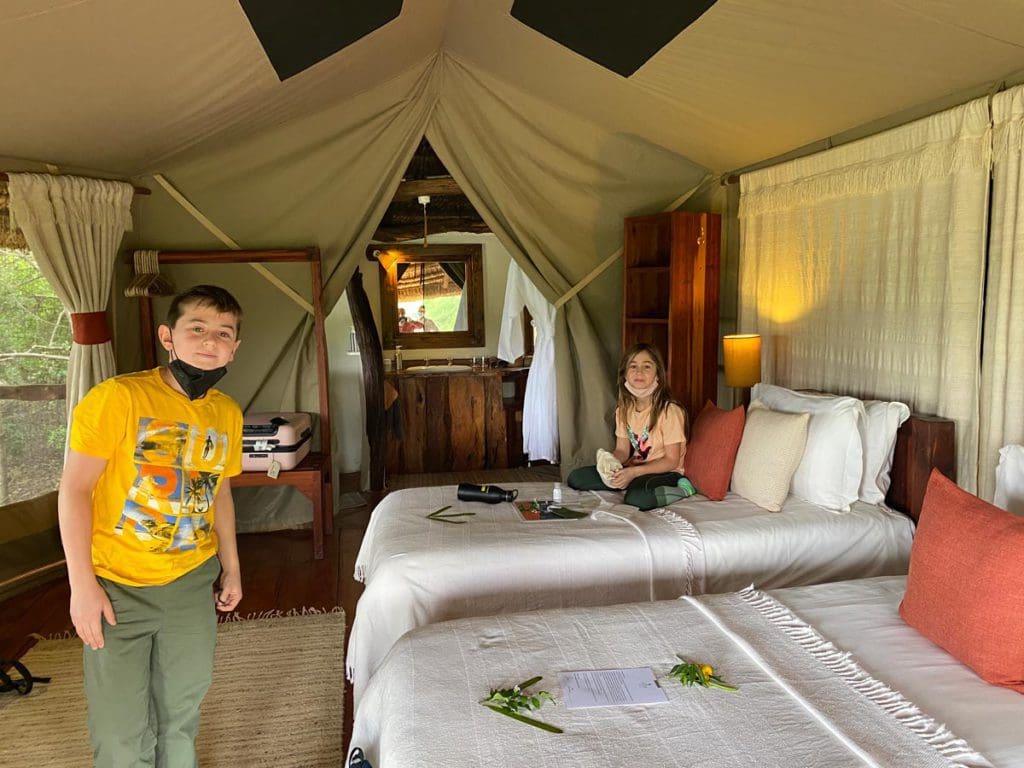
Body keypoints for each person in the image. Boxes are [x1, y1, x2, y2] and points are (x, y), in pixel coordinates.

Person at [58, 284, 245, 767]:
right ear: (168, 335)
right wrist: (82, 586)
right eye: (197, 329)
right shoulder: (117, 398)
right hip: (117, 587)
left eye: (224, 333)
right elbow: (75, 491)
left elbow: (218, 489)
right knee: (120, 730)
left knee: (180, 716)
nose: (210, 342)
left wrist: (232, 568)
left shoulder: (226, 412)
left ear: (235, 347)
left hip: (190, 582)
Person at [567, 342, 694, 510]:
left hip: (664, 472)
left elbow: (672, 461)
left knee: (637, 499)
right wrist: (611, 466)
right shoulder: (623, 410)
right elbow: (622, 451)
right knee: (576, 478)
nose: (639, 372)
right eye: (632, 366)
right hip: (634, 468)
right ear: (625, 374)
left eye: (647, 366)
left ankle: (684, 490)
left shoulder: (670, 411)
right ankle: (629, 482)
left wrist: (632, 473)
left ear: (658, 374)